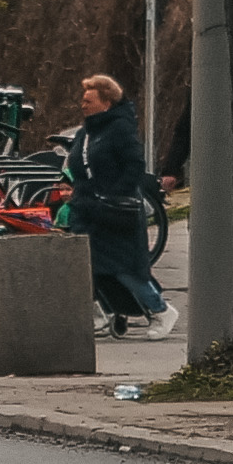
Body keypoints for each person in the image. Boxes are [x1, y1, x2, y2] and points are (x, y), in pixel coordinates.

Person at [70, 68, 166, 333]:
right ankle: (102, 312)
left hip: (113, 212)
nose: (83, 105)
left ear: (106, 102)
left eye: (89, 100)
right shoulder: (86, 133)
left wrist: (114, 194)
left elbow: (134, 165)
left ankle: (160, 310)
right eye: (84, 100)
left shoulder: (119, 129)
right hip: (87, 210)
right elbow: (79, 166)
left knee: (124, 269)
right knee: (85, 265)